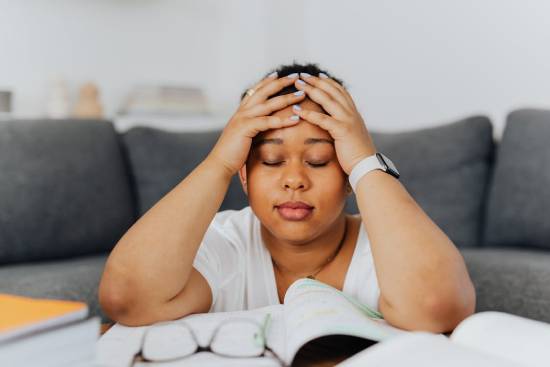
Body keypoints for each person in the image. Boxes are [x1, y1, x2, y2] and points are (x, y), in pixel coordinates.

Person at [98, 62, 476, 333]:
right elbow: (126, 297)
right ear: (245, 174)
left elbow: (435, 307)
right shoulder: (225, 242)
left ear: (348, 177)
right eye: (271, 160)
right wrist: (219, 163)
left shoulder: (384, 247)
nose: (294, 179)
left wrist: (364, 160)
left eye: (318, 160)